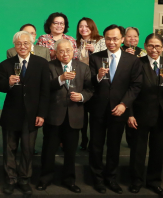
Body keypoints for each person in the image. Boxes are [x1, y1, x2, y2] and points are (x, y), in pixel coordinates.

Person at [127, 34, 163, 196]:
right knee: (138, 151)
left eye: (157, 46)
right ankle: (136, 181)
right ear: (145, 46)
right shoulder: (137, 63)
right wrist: (130, 114)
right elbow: (130, 90)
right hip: (140, 114)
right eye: (151, 46)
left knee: (158, 151)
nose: (154, 49)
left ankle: (154, 182)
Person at [88, 24, 143, 194]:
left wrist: (124, 104)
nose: (111, 42)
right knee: (95, 145)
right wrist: (97, 76)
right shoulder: (95, 58)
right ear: (104, 39)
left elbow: (135, 86)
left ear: (122, 39)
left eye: (115, 38)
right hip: (98, 108)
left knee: (114, 145)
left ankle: (111, 178)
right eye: (108, 38)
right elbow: (89, 83)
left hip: (119, 109)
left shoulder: (132, 60)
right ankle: (97, 179)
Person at [0, 30, 50, 197]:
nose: (22, 46)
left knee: (27, 149)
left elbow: (45, 91)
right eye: (19, 44)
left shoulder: (41, 63)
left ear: (31, 44)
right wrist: (9, 83)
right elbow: (0, 86)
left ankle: (24, 180)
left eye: (26, 43)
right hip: (12, 113)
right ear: (14, 46)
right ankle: (11, 179)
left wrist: (41, 114)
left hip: (32, 115)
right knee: (9, 149)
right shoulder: (6, 64)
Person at [37, 39, 93, 193]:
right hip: (53, 115)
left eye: (68, 50)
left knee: (70, 151)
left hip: (74, 116)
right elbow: (44, 88)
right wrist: (60, 79)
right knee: (48, 150)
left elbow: (90, 89)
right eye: (61, 51)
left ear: (73, 51)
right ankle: (45, 179)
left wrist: (81, 97)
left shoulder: (82, 67)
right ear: (55, 52)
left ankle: (69, 180)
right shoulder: (48, 67)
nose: (65, 54)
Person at [75, 17, 105, 150]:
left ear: (92, 27)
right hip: (79, 80)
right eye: (81, 26)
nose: (84, 29)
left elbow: (105, 58)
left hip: (95, 80)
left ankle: (94, 141)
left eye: (87, 26)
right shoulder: (75, 42)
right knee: (80, 113)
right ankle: (83, 139)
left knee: (94, 114)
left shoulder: (101, 40)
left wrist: (94, 51)